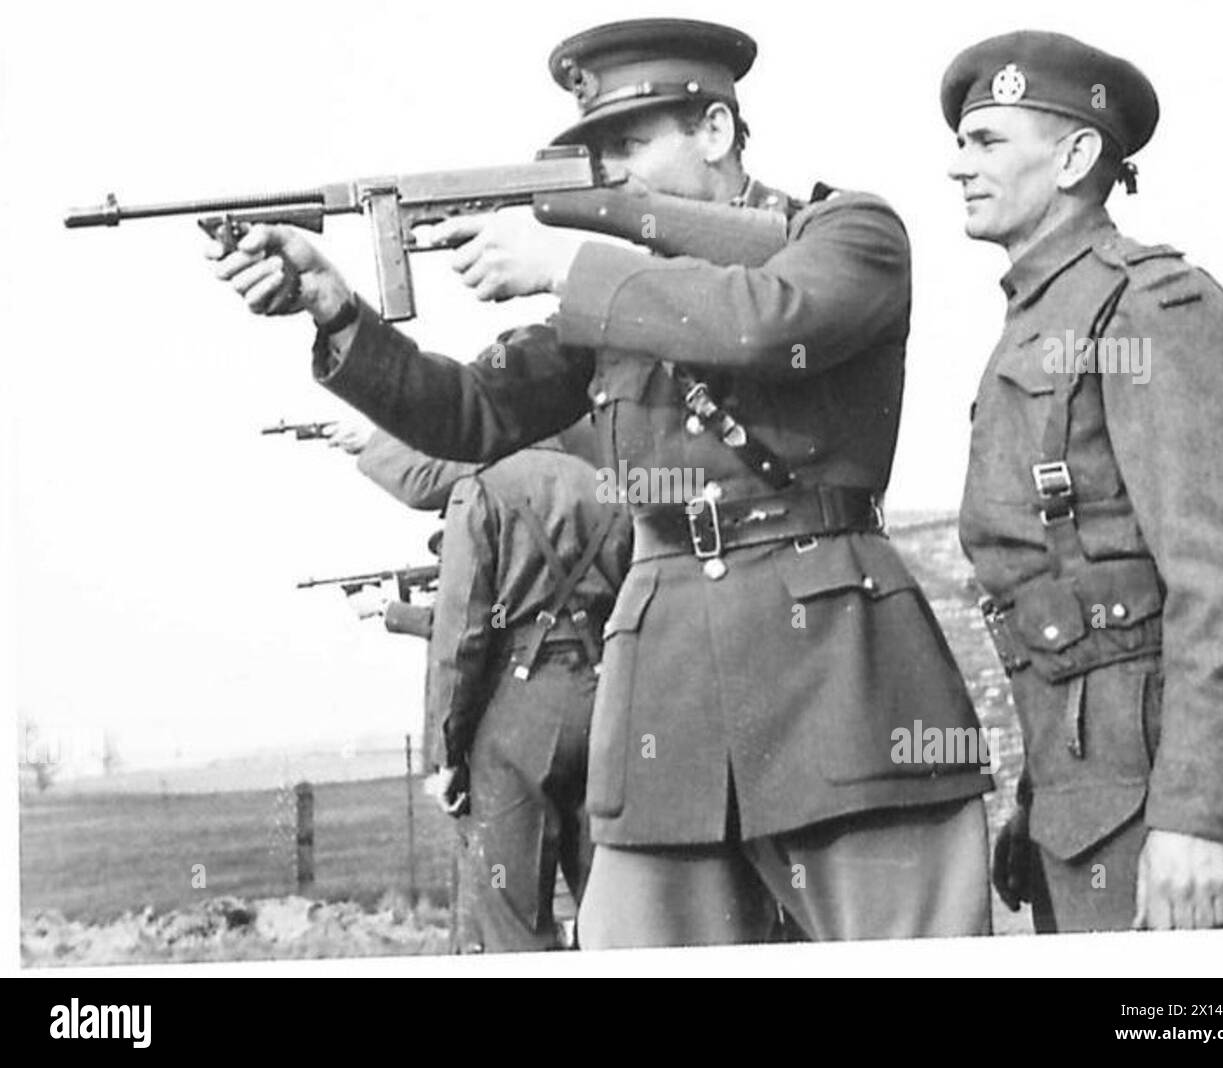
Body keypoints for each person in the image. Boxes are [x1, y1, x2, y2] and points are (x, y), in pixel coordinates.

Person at [210, 17, 993, 947]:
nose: (610, 175)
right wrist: (336, 309)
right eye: (596, 155)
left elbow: (766, 320)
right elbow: (470, 414)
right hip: (664, 701)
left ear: (715, 131)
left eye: (630, 144)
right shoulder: (623, 297)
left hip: (838, 684)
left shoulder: (847, 230)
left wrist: (575, 260)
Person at [942, 30, 1223, 932]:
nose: (957, 167)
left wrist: (1197, 819)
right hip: (1083, 809)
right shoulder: (1039, 316)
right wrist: (1040, 798)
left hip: (1161, 816)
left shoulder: (1153, 308)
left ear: (1077, 156)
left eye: (987, 142)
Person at [331, 418, 629, 952]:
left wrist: (444, 755)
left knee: (514, 921)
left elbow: (461, 635)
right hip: (609, 700)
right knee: (615, 909)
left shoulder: (481, 489)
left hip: (517, 707)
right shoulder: (607, 483)